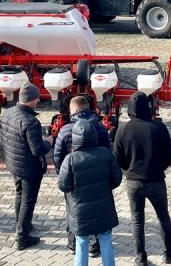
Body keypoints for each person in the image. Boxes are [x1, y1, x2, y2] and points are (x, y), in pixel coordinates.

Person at [114, 92, 171, 266]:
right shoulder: (159, 127)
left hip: (133, 181)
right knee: (163, 216)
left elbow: (118, 157)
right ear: (148, 107)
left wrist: (128, 170)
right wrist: (159, 167)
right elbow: (168, 156)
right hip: (156, 179)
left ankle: (140, 256)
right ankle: (168, 251)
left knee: (137, 219)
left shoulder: (123, 129)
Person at [58, 119, 122, 266]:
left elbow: (63, 186)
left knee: (81, 242)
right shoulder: (106, 154)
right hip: (104, 207)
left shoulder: (70, 159)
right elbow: (117, 179)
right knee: (106, 239)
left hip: (80, 211)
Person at [54, 95, 110, 256]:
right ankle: (94, 245)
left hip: (73, 179)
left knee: (73, 211)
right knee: (96, 210)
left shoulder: (65, 130)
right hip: (98, 179)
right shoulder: (100, 129)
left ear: (73, 110)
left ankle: (73, 244)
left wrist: (62, 175)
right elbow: (108, 152)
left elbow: (57, 157)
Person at [0, 82, 51, 250]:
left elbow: (2, 138)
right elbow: (37, 150)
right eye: (37, 99)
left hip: (13, 163)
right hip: (29, 168)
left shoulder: (6, 113)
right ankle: (22, 237)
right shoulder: (31, 121)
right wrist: (49, 142)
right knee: (28, 201)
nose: (38, 102)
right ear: (33, 99)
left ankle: (21, 224)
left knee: (20, 195)